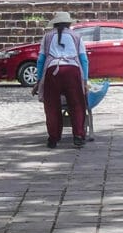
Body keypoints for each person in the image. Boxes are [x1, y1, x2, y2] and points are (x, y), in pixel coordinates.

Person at [32, 11, 90, 149]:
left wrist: (39, 80)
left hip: (53, 71)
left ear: (55, 24)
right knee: (76, 104)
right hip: (72, 70)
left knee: (52, 106)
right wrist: (85, 80)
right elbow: (83, 59)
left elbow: (40, 60)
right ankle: (78, 136)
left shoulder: (47, 37)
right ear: (69, 23)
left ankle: (53, 138)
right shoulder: (76, 36)